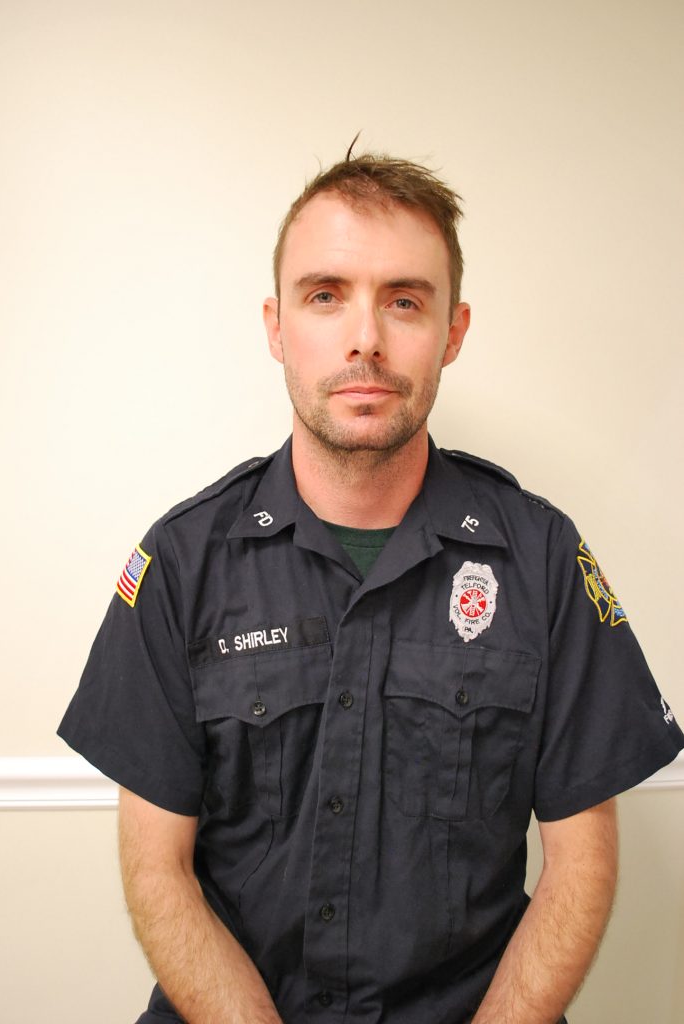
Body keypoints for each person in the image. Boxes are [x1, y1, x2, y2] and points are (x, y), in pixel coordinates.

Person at [58, 149, 683, 1024]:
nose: (365, 338)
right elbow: (155, 869)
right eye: (325, 295)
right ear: (276, 326)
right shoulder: (183, 561)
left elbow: (581, 865)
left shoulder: (540, 556)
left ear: (453, 331)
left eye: (403, 300)